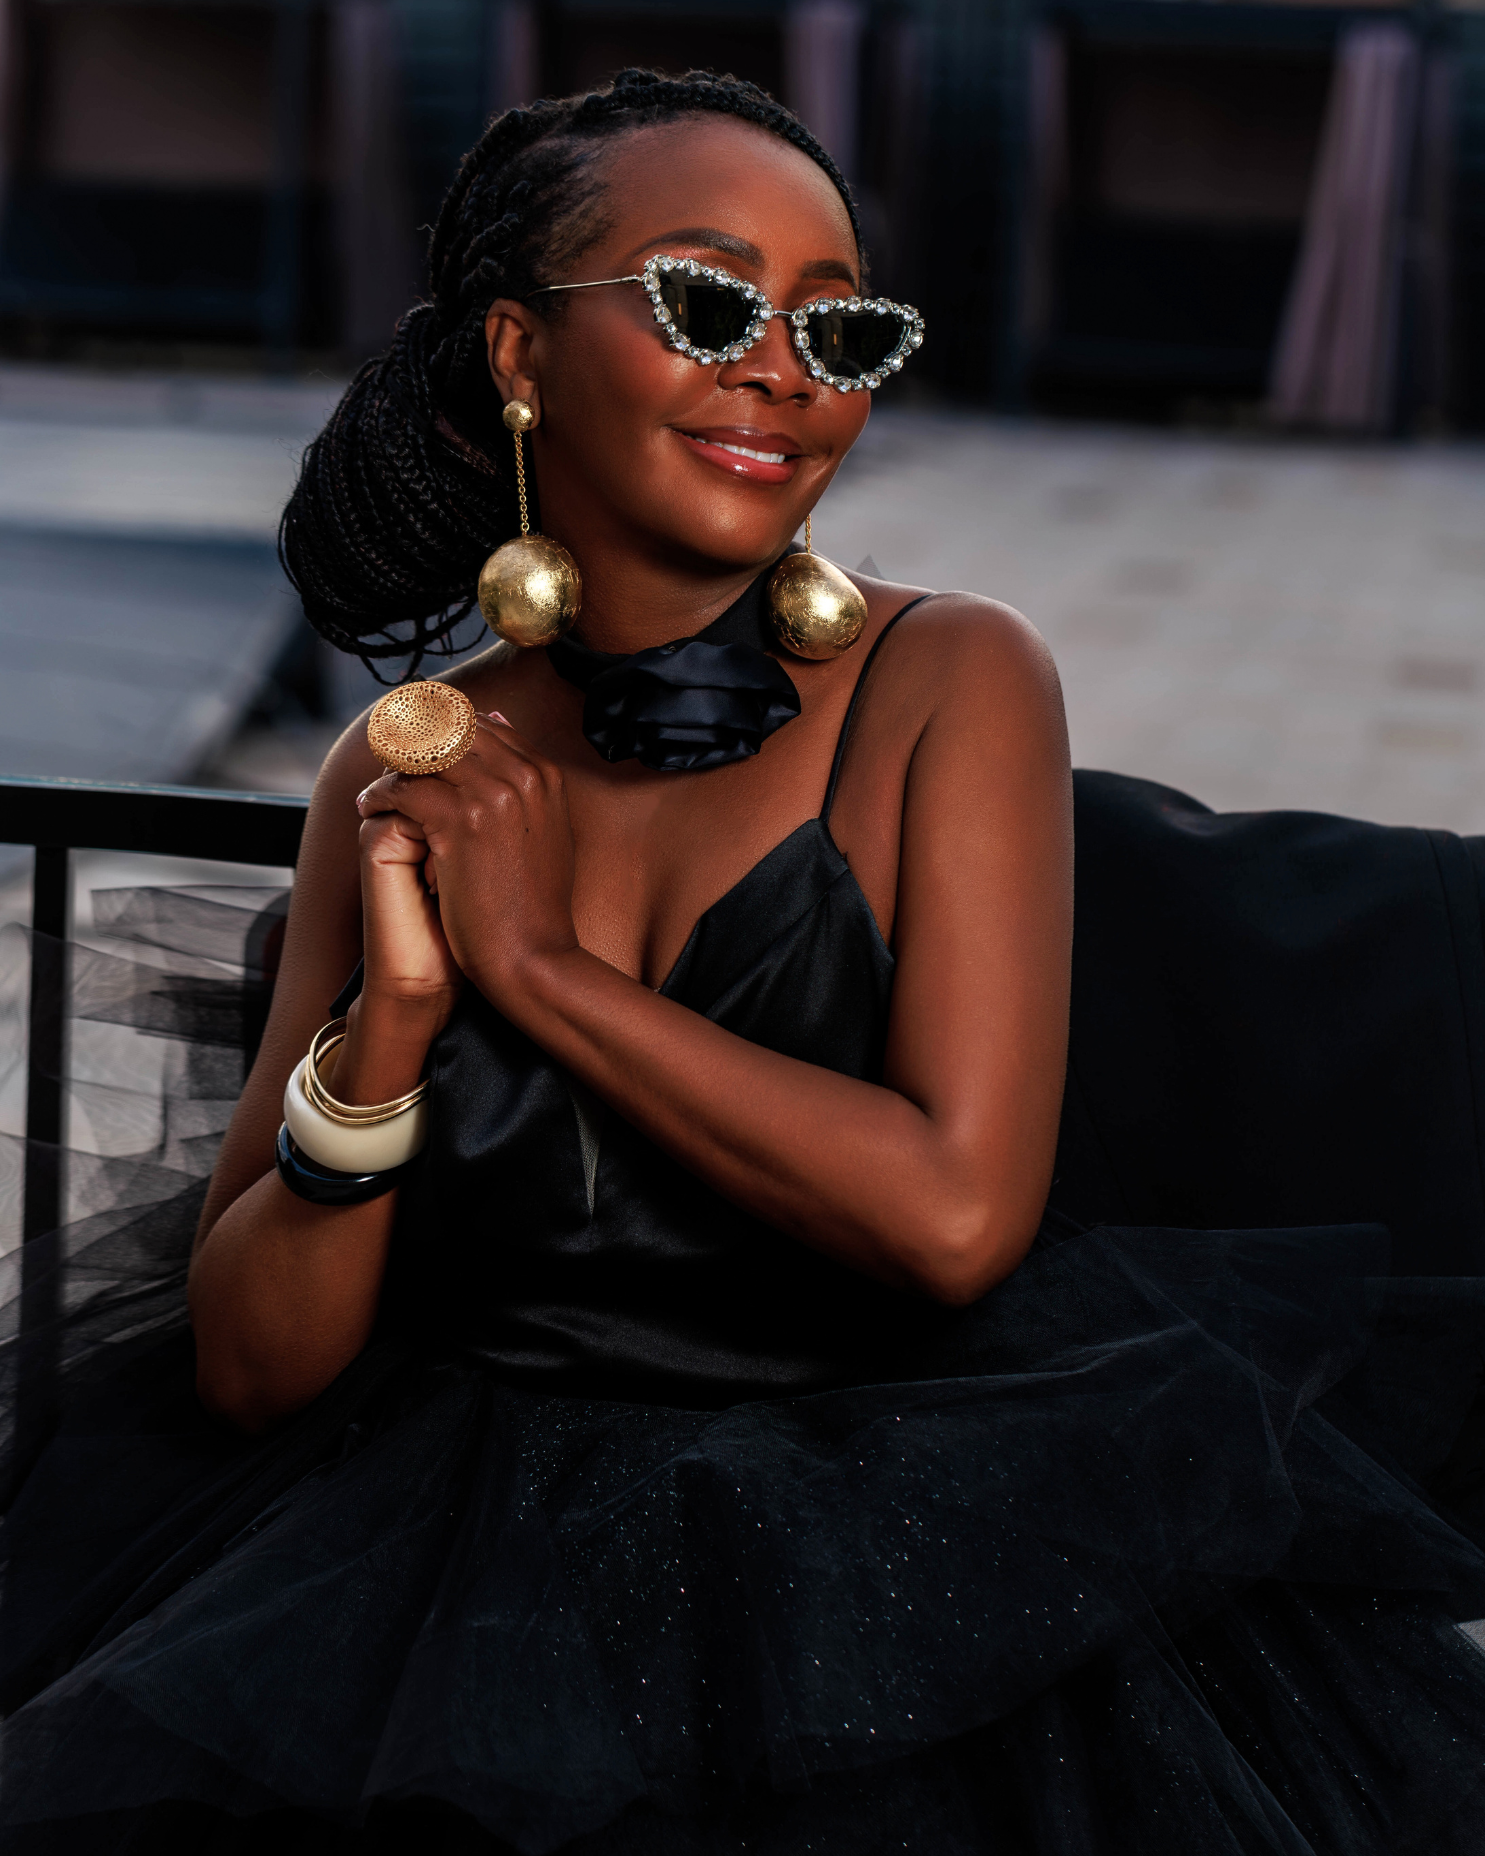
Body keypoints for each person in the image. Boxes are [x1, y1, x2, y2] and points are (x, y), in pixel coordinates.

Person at [4, 66, 1485, 1855]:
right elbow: (250, 1368)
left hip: (893, 1562)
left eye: (837, 325)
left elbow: (952, 1217)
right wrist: (388, 1036)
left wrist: (543, 976)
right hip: (427, 1559)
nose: (785, 369)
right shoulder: (404, 764)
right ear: (519, 353)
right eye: (709, 303)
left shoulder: (954, 681)